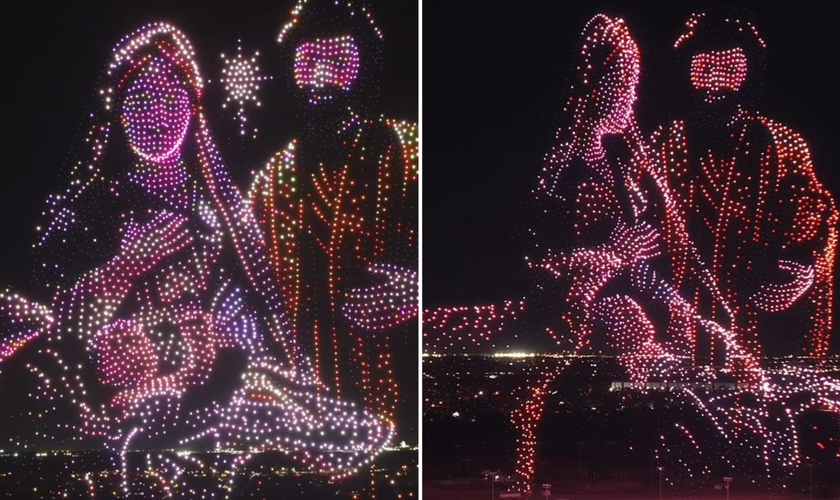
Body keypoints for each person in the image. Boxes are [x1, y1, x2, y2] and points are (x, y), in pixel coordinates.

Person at [8, 22, 390, 497]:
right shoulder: (89, 206)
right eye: (141, 100)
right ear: (118, 113)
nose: (157, 115)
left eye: (171, 100)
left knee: (349, 431)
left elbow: (246, 308)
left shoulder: (217, 213)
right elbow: (65, 326)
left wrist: (229, 349)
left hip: (216, 377)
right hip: (124, 387)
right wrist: (127, 265)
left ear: (192, 110)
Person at [249, 0, 418, 430]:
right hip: (301, 386)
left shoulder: (408, 148)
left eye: (339, 60)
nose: (322, 77)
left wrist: (417, 288)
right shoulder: (273, 179)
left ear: (364, 66)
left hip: (394, 371)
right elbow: (242, 283)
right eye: (308, 62)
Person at [653, 10, 838, 369]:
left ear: (748, 70)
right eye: (705, 66)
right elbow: (635, 210)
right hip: (680, 307)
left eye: (730, 66)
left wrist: (804, 261)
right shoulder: (666, 141)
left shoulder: (782, 142)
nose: (716, 79)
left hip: (755, 308)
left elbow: (818, 209)